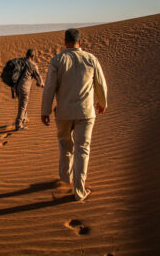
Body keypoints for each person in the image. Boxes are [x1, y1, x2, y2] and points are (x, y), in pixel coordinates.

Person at [41, 28, 108, 201]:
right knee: (82, 150)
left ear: (65, 42)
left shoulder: (57, 60)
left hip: (63, 113)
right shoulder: (91, 59)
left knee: (65, 146)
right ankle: (79, 191)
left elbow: (49, 87)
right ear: (80, 42)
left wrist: (45, 110)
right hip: (85, 113)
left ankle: (65, 178)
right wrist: (102, 102)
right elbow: (100, 83)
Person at [15, 49, 44, 131]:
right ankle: (18, 124)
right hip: (24, 88)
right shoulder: (32, 65)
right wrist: (41, 83)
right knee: (22, 106)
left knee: (22, 103)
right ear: (33, 56)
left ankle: (24, 118)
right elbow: (38, 76)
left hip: (16, 87)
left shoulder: (20, 61)